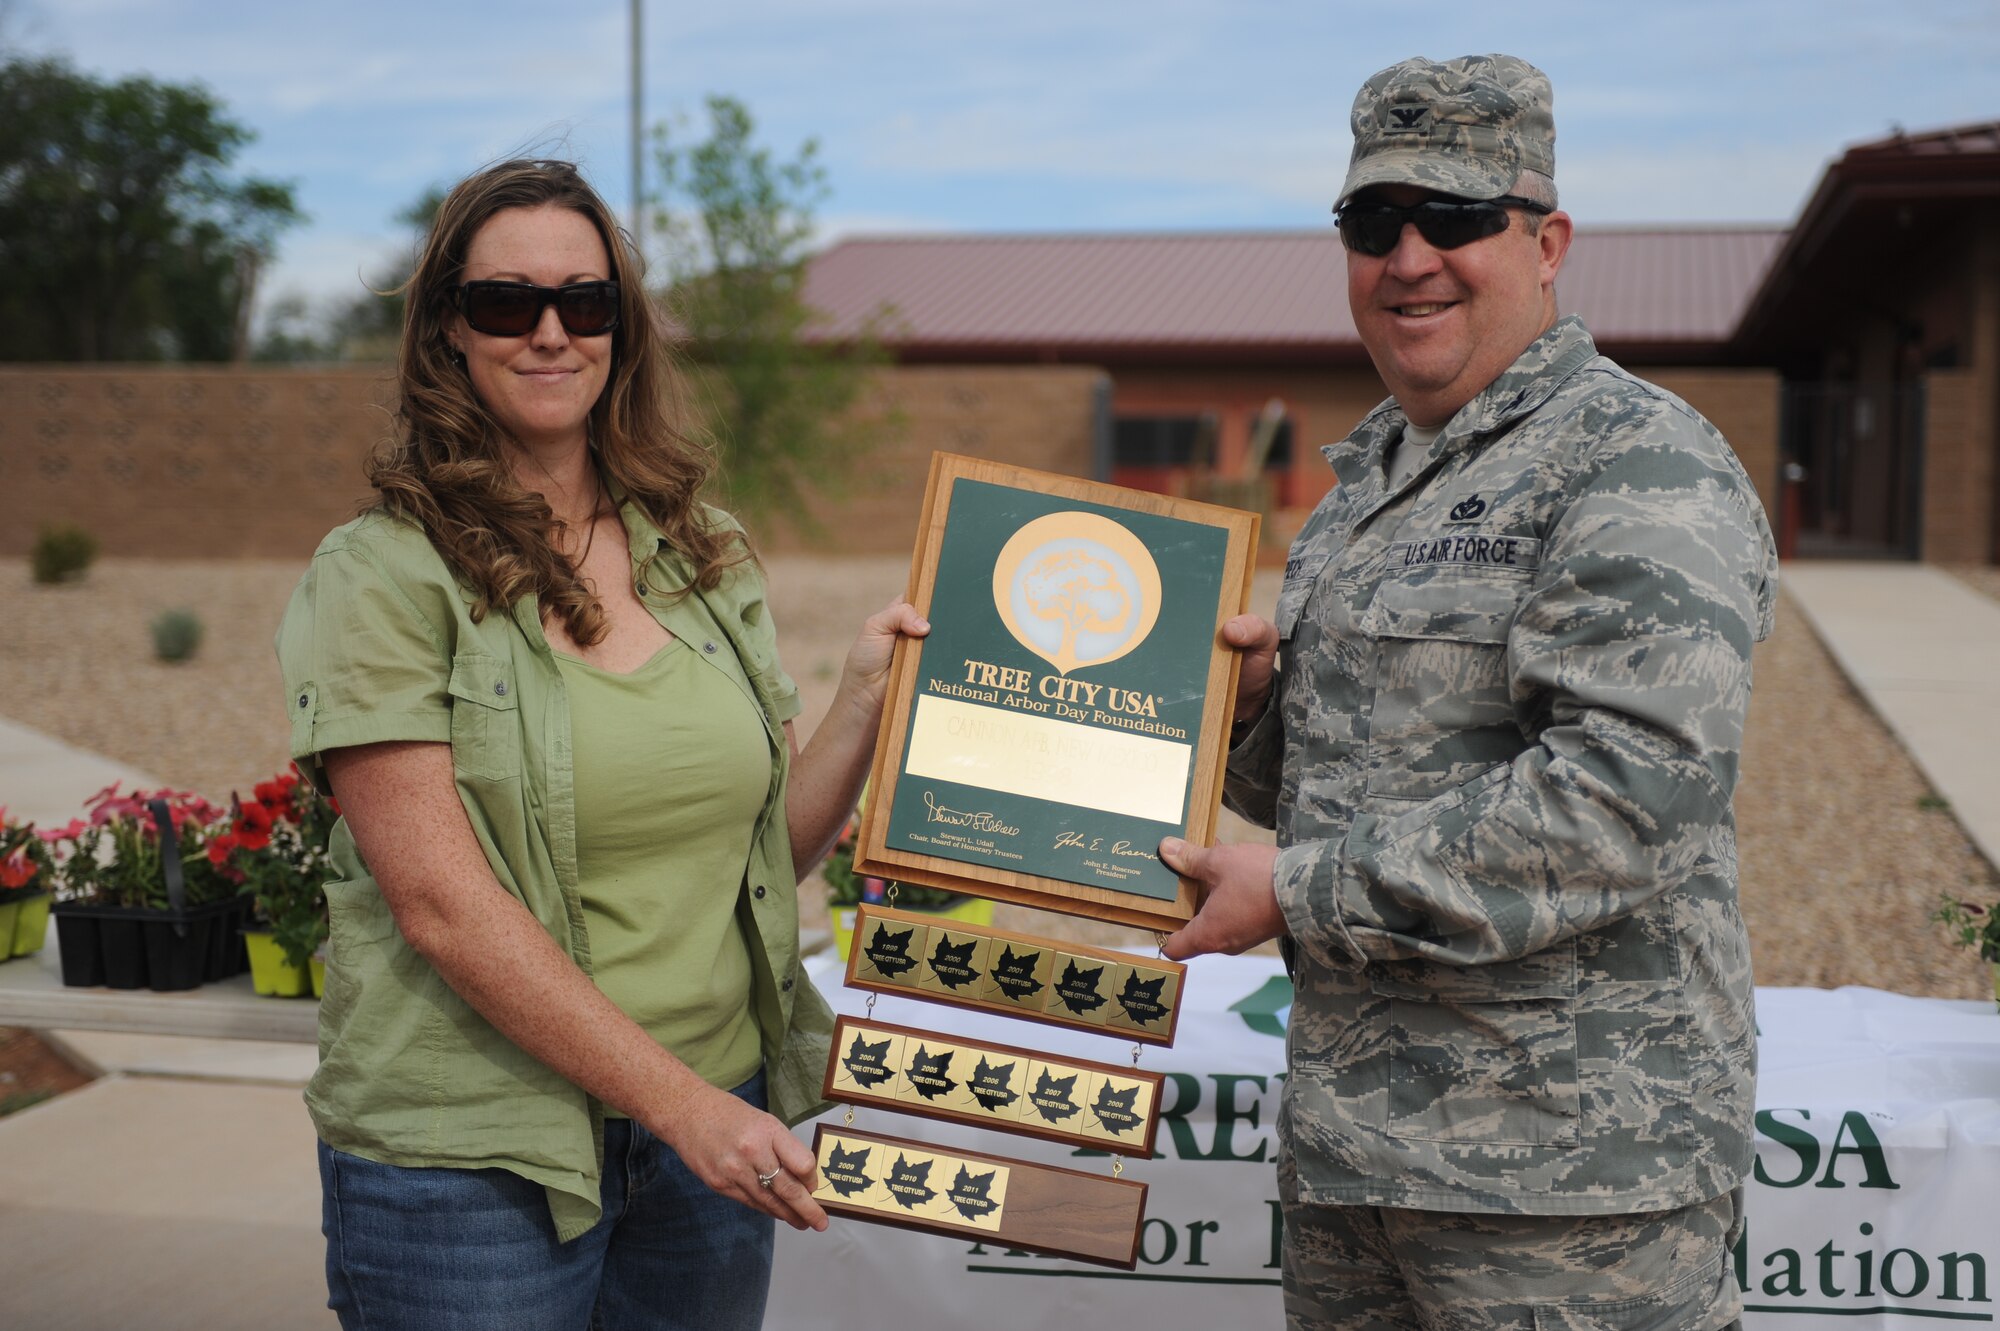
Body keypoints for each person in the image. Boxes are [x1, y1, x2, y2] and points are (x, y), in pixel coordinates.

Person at [1160, 55, 1777, 1329]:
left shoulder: (1635, 459)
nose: (1409, 258)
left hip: (1567, 1186)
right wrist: (1255, 709)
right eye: (1371, 224)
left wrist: (1288, 890)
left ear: (1544, 243)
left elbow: (1624, 799)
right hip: (1358, 1155)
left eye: (1453, 219)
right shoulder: (1367, 481)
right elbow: (1349, 775)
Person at [275, 158, 925, 1331]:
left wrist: (867, 697)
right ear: (445, 333)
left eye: (584, 301)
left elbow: (763, 847)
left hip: (706, 1133)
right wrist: (681, 1107)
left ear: (621, 329)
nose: (548, 331)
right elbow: (440, 904)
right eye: (503, 302)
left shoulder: (698, 546)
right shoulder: (380, 574)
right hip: (478, 1163)